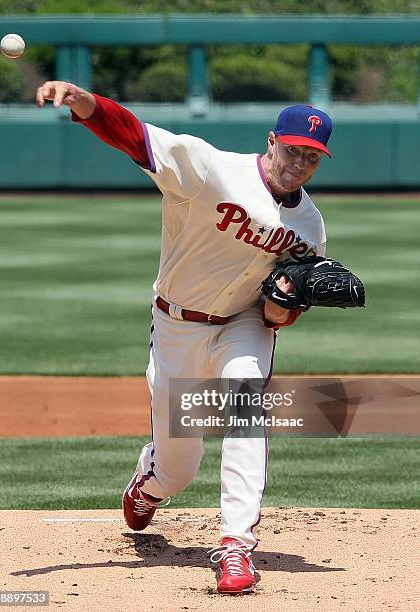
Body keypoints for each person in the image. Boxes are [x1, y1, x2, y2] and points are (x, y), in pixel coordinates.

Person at [37, 81, 332, 595]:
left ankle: (236, 545)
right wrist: (83, 101)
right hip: (176, 325)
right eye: (292, 150)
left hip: (242, 326)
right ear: (271, 141)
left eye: (311, 157)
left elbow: (279, 315)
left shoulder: (309, 226)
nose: (299, 163)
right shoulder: (208, 168)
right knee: (179, 468)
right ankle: (150, 482)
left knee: (247, 404)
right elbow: (133, 136)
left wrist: (287, 304)